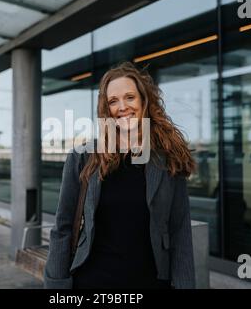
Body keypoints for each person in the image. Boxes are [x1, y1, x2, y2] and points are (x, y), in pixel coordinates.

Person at [44, 62, 196, 289]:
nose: (122, 106)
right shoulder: (83, 157)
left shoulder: (166, 159)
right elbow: (63, 227)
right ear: (106, 110)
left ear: (144, 101)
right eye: (113, 101)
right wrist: (56, 286)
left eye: (130, 97)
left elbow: (180, 230)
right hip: (93, 283)